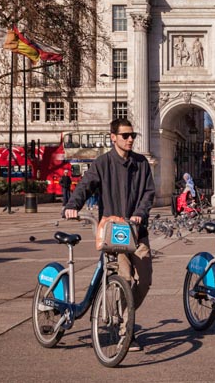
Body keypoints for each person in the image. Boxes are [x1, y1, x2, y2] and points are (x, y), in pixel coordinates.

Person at [64, 118, 155, 352]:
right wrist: (72, 205)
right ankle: (127, 331)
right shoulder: (102, 163)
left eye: (132, 135)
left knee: (144, 280)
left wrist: (139, 214)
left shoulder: (141, 163)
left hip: (137, 230)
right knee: (124, 279)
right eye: (125, 135)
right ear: (113, 137)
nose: (130, 139)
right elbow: (85, 185)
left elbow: (148, 193)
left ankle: (126, 316)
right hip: (115, 233)